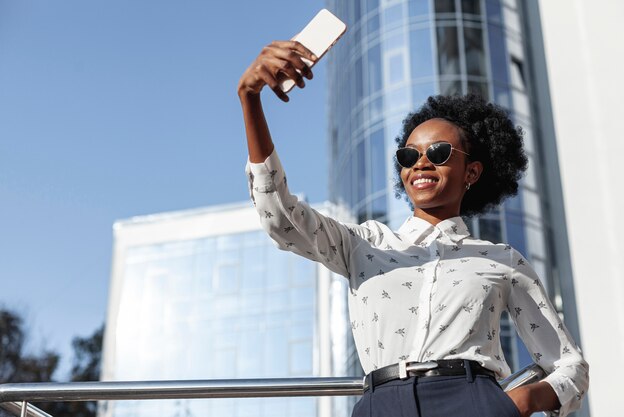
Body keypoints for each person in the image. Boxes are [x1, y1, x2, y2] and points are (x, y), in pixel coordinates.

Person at [237, 40, 588, 417]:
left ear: (472, 171)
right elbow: (281, 218)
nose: (420, 164)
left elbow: (570, 365)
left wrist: (520, 401)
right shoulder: (363, 243)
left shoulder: (502, 261)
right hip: (381, 402)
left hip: (472, 399)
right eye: (408, 156)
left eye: (438, 153)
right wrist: (250, 98)